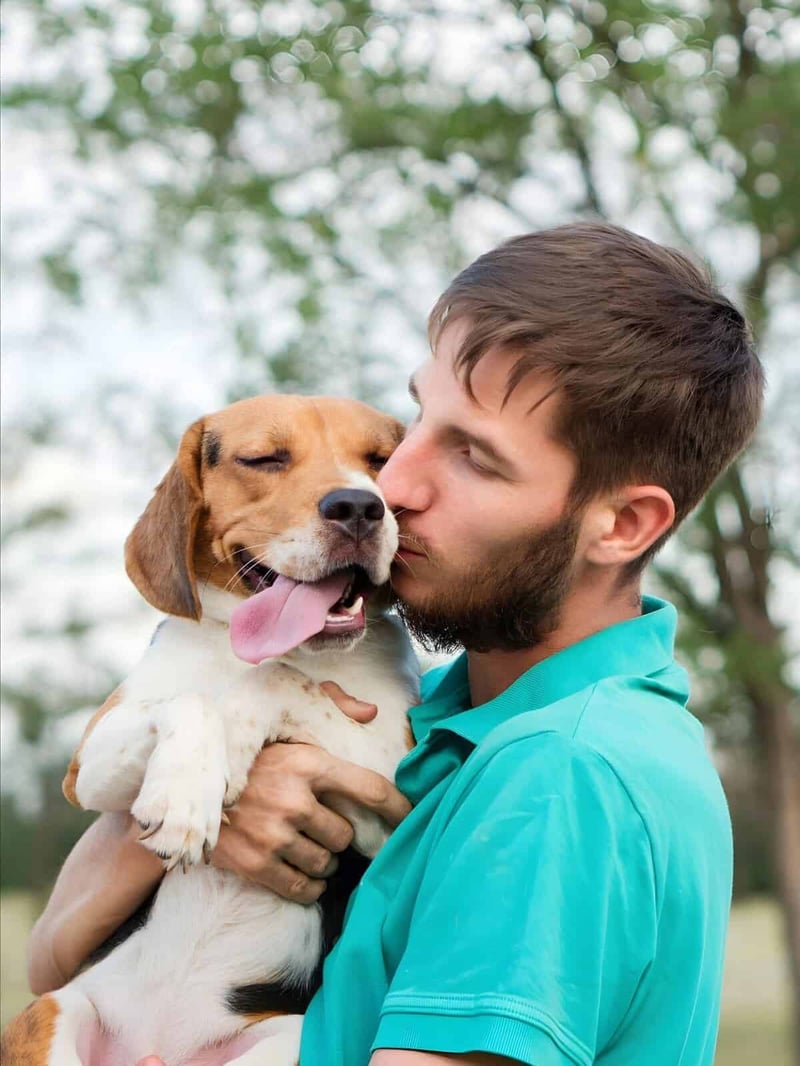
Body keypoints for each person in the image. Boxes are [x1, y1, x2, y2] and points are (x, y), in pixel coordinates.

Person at [27, 223, 763, 1066]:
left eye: (476, 458)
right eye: (416, 421)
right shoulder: (460, 715)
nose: (392, 487)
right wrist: (228, 791)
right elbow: (51, 955)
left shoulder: (561, 773)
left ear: (623, 524)